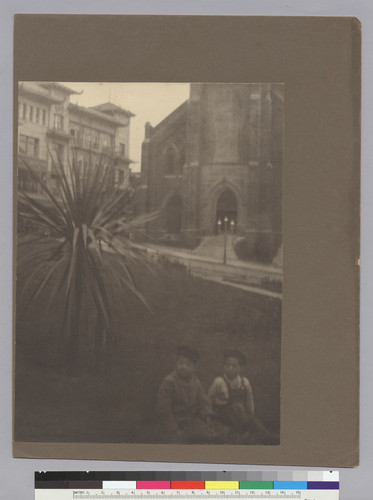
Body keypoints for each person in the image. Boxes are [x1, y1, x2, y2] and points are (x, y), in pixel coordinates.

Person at [208, 349, 278, 445]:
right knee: (237, 408)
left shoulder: (244, 382)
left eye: (234, 366)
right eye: (227, 365)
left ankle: (266, 437)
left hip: (241, 416)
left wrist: (250, 414)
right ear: (223, 366)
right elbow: (209, 399)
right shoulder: (219, 382)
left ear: (240, 368)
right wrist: (209, 415)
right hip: (223, 415)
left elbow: (249, 399)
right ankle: (245, 432)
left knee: (255, 422)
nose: (230, 368)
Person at [156, 345, 215, 444]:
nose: (183, 366)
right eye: (181, 363)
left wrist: (206, 415)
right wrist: (173, 428)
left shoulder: (195, 381)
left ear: (193, 368)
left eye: (188, 364)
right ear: (176, 364)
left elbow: (202, 401)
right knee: (182, 440)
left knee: (207, 435)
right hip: (175, 420)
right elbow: (163, 408)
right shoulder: (169, 382)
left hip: (190, 419)